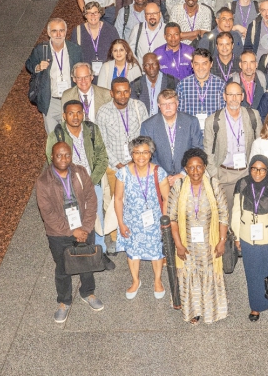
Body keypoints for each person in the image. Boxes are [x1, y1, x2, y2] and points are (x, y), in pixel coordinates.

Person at [35, 141, 104, 323]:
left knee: (87, 263)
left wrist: (86, 227)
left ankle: (87, 292)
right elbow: (48, 214)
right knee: (63, 267)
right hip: (59, 234)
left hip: (84, 228)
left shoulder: (80, 172)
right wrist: (72, 231)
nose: (63, 159)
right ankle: (64, 301)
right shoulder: (43, 182)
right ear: (52, 156)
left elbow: (91, 199)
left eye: (67, 155)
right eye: (59, 155)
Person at [168, 147, 229, 324]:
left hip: (210, 242)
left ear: (205, 167)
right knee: (188, 274)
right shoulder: (178, 187)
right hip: (187, 243)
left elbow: (224, 215)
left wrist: (222, 241)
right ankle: (193, 311)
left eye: (199, 167)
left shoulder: (214, 185)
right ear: (185, 169)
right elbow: (172, 219)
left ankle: (210, 310)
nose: (195, 171)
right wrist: (178, 245)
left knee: (209, 272)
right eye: (191, 167)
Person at [44, 99, 109, 247]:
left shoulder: (92, 129)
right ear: (64, 115)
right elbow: (51, 160)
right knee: (73, 218)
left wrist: (90, 182)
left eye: (79, 112)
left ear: (83, 114)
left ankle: (100, 250)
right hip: (69, 186)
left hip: (92, 182)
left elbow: (102, 157)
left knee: (96, 216)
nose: (75, 117)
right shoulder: (57, 135)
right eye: (71, 113)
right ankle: (78, 251)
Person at [231, 155, 268, 321]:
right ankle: (256, 306)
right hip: (247, 238)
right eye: (254, 168)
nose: (258, 172)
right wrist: (236, 236)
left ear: (267, 170)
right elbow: (236, 212)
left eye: (262, 169)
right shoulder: (242, 184)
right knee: (252, 273)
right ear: (250, 169)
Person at [115, 136, 171, 299]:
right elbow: (118, 199)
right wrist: (121, 223)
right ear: (131, 154)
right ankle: (135, 280)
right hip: (131, 221)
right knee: (133, 252)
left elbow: (167, 198)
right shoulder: (123, 173)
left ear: (151, 154)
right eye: (137, 152)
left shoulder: (158, 172)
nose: (141, 156)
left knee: (156, 252)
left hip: (154, 221)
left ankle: (158, 281)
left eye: (145, 152)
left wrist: (165, 221)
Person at [203, 82, 262, 206]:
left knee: (247, 213)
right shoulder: (212, 121)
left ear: (242, 96)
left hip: (247, 173)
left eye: (237, 95)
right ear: (224, 96)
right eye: (230, 95)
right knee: (227, 217)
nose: (234, 99)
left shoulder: (253, 116)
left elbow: (260, 146)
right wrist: (215, 174)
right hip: (224, 176)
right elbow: (207, 152)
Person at [27, 18, 83, 133]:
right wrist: (38, 67)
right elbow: (29, 64)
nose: (58, 34)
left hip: (70, 99)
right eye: (54, 31)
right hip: (51, 100)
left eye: (61, 30)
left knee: (72, 137)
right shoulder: (41, 50)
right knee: (54, 141)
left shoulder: (74, 49)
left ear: (65, 32)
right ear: (48, 33)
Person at [140, 89, 203, 179]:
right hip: (158, 177)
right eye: (164, 104)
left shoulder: (191, 122)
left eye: (171, 103)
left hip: (187, 175)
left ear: (177, 104)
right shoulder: (148, 126)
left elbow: (197, 149)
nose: (168, 107)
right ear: (159, 106)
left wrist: (183, 173)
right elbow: (148, 154)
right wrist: (163, 176)